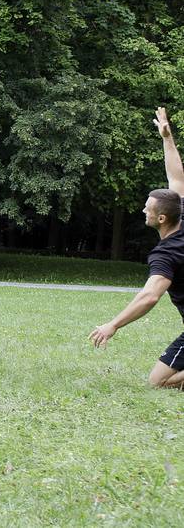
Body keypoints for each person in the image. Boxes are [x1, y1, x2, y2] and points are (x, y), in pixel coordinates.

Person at [89, 107, 184, 389]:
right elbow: (177, 179)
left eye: (148, 208)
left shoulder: (165, 254)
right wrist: (166, 137)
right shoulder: (181, 213)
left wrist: (113, 325)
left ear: (162, 218)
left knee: (158, 382)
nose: (143, 210)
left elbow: (150, 296)